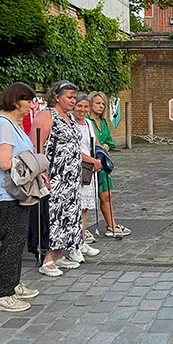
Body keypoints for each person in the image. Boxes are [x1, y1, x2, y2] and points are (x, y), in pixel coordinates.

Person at [0, 82, 40, 312]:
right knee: (12, 243)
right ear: (16, 101)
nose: (30, 106)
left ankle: (12, 284)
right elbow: (5, 161)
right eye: (28, 101)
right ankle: (2, 294)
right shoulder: (2, 126)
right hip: (7, 192)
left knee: (17, 240)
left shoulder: (10, 124)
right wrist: (32, 168)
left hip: (15, 191)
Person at [31, 81, 83, 277]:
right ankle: (47, 259)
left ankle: (60, 253)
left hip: (71, 177)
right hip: (55, 175)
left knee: (69, 216)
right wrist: (42, 172)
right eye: (69, 97)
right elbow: (37, 144)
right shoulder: (47, 115)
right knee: (55, 216)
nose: (73, 100)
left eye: (74, 97)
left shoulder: (68, 117)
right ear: (56, 97)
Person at [88, 91, 130, 239]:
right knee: (86, 199)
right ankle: (83, 230)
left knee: (106, 196)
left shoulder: (103, 122)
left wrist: (105, 145)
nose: (101, 106)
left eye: (103, 104)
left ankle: (111, 225)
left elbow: (110, 141)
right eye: (98, 103)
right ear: (90, 104)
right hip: (90, 164)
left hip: (103, 163)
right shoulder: (87, 121)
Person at [70, 93, 102, 261]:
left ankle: (82, 241)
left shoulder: (89, 123)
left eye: (85, 107)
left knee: (84, 209)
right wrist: (93, 161)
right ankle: (74, 245)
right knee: (75, 208)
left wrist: (102, 153)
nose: (82, 110)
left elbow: (94, 143)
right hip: (77, 170)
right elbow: (74, 149)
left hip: (89, 170)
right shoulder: (70, 124)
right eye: (79, 106)